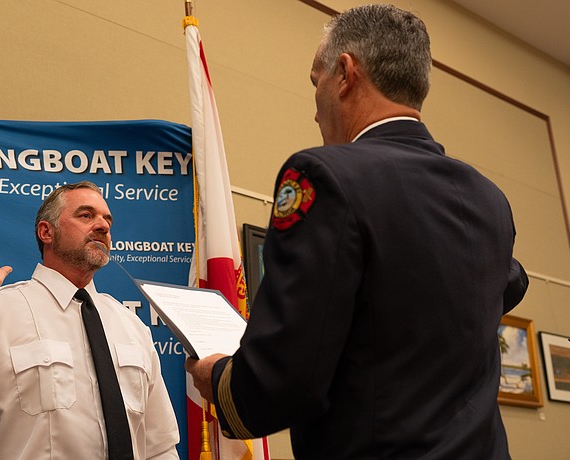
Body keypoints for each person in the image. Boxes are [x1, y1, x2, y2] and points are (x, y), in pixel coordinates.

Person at [185, 4, 529, 459]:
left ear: (345, 73)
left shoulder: (324, 176)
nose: (314, 110)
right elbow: (507, 283)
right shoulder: (489, 199)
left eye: (316, 81)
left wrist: (221, 379)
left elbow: (286, 378)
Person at [0, 181, 180, 459]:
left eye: (107, 220)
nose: (103, 226)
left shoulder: (131, 326)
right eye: (86, 215)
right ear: (46, 232)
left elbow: (159, 446)